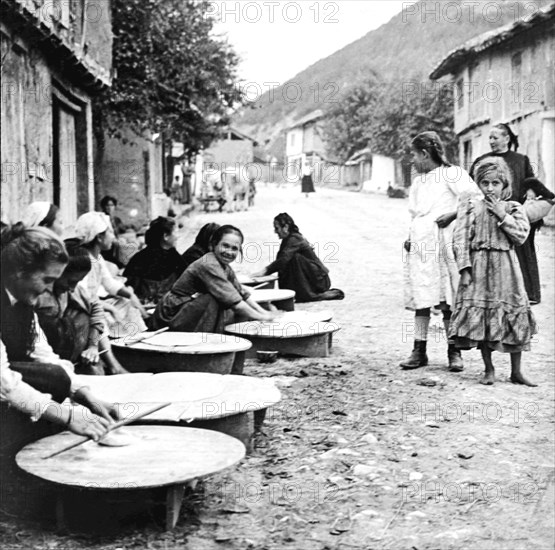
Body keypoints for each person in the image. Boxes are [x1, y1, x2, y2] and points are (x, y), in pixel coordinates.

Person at [0, 224, 118, 437]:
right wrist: (68, 417)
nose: (49, 289)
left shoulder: (23, 305)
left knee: (58, 376)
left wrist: (86, 395)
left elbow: (44, 355)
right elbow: (5, 384)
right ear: (19, 272)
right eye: (47, 280)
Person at [449, 157, 537, 386]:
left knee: (513, 315)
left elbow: (520, 236)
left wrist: (502, 215)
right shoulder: (471, 207)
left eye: (496, 183)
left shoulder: (514, 208)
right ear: (478, 184)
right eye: (485, 183)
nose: (490, 188)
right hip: (479, 268)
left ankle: (516, 371)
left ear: (504, 186)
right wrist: (465, 269)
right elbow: (459, 239)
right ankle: (489, 369)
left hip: (507, 269)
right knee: (484, 319)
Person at [401, 131, 480, 371]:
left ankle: (453, 350)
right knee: (422, 297)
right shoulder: (417, 182)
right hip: (421, 245)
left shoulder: (452, 173)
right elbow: (415, 214)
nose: (412, 160)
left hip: (444, 243)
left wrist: (453, 214)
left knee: (447, 299)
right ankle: (419, 349)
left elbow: (475, 199)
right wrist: (409, 237)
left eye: (414, 155)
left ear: (425, 153)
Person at [152, 225, 276, 333]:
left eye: (234, 249)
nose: (229, 252)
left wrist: (263, 313)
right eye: (225, 246)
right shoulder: (209, 264)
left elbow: (241, 294)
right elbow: (236, 303)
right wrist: (262, 317)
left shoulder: (224, 266)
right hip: (172, 313)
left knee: (225, 304)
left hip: (187, 307)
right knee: (216, 300)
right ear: (213, 245)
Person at [470, 123, 542, 303]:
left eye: (495, 137)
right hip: (487, 211)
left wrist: (530, 195)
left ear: (506, 139)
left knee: (522, 251)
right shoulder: (483, 160)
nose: (491, 141)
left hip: (514, 212)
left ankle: (527, 294)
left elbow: (530, 182)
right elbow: (471, 184)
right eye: (490, 138)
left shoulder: (521, 160)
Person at [36, 239, 128, 375]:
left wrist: (92, 346)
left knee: (86, 317)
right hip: (47, 355)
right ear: (58, 272)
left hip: (75, 354)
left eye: (77, 282)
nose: (72, 288)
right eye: (70, 281)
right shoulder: (39, 295)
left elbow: (96, 308)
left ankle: (113, 366)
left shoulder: (76, 291)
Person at [74, 212, 148, 338]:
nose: (113, 238)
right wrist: (111, 308)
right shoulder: (83, 260)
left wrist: (130, 295)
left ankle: (137, 338)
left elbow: (109, 283)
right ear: (99, 237)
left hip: (96, 303)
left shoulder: (97, 257)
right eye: (110, 233)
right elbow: (83, 297)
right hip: (85, 307)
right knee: (106, 316)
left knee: (127, 302)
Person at [252, 213, 344, 302]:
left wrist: (265, 271)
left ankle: (310, 295)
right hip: (314, 279)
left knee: (295, 258)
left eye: (277, 228)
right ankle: (300, 292)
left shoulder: (295, 239)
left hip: (320, 282)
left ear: (286, 227)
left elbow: (282, 260)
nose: (275, 231)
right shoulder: (289, 239)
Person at [123, 216, 187, 303]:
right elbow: (129, 286)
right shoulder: (141, 259)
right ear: (165, 236)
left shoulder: (174, 256)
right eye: (176, 232)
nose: (178, 236)